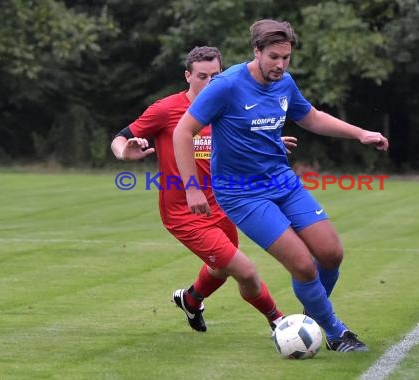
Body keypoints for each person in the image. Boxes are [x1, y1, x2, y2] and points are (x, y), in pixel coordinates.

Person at [173, 20, 389, 353]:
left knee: (331, 253)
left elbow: (312, 117)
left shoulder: (284, 83)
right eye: (273, 56)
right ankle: (335, 332)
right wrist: (191, 188)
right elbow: (183, 132)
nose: (280, 65)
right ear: (256, 51)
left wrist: (359, 133)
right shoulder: (227, 85)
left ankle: (312, 315)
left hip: (282, 181)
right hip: (241, 194)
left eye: (286, 57)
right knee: (302, 264)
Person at [111, 46, 293, 334]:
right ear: (188, 76)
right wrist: (124, 152)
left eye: (216, 75)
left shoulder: (229, 106)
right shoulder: (166, 109)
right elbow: (121, 137)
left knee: (220, 270)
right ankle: (280, 322)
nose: (209, 82)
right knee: (244, 270)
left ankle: (191, 299)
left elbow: (245, 141)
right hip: (184, 213)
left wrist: (268, 143)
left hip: (223, 206)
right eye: (202, 76)